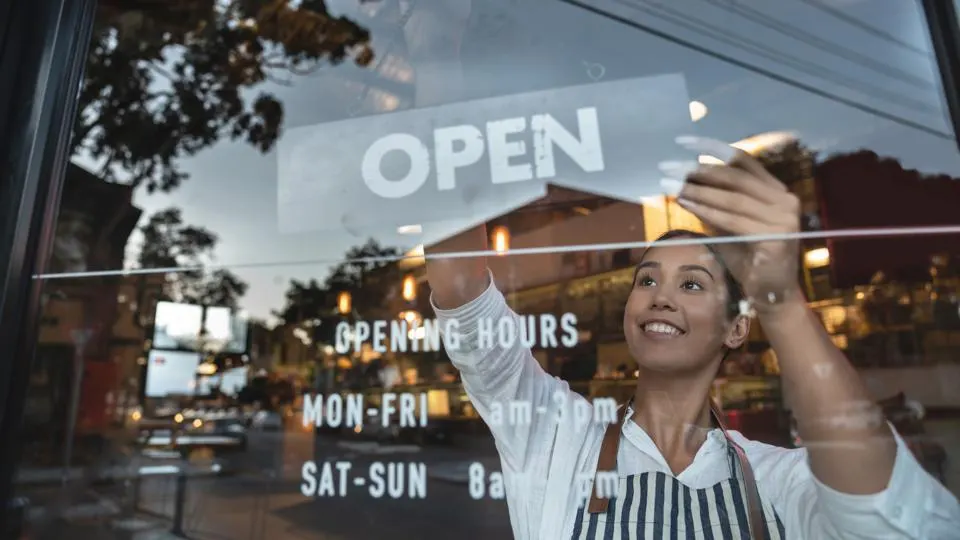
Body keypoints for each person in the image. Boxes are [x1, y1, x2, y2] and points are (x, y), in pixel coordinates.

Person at [425, 136, 959, 539]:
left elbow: (885, 514)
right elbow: (466, 302)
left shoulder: (779, 480)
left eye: (692, 284)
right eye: (648, 279)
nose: (661, 296)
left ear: (736, 328)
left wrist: (779, 298)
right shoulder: (556, 436)